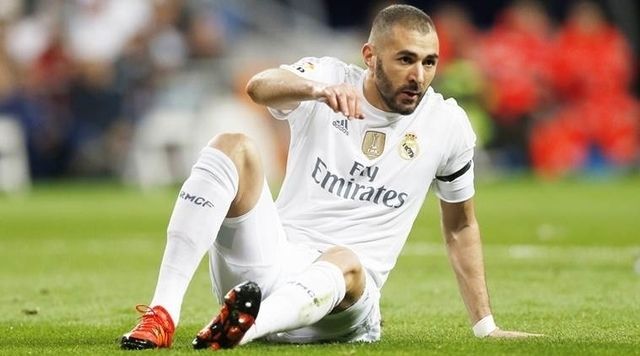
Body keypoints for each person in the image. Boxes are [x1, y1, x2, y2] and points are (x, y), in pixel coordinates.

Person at [120, 4, 541, 350]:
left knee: (345, 259)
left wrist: (485, 325)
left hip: (345, 303)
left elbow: (461, 225)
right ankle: (162, 314)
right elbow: (258, 86)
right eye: (405, 60)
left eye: (429, 62)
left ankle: (243, 328)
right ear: (370, 56)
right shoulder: (329, 78)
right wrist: (314, 91)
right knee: (232, 144)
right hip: (269, 266)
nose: (419, 76)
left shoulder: (446, 124)